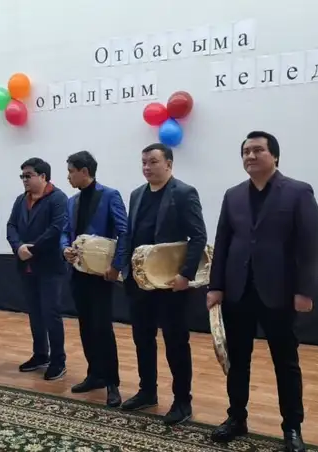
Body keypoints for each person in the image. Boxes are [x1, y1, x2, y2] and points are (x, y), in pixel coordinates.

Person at [207, 131, 318, 452]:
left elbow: (310, 244)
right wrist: (216, 286)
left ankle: (292, 428)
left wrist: (305, 290)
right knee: (237, 361)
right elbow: (223, 242)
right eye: (246, 151)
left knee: (285, 363)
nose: (250, 156)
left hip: (279, 292)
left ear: (275, 156)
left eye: (258, 150)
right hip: (238, 291)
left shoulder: (298, 192)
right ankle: (236, 417)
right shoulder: (233, 195)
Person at [119, 143, 207, 426]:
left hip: (170, 283)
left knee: (175, 342)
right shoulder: (136, 194)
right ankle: (147, 391)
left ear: (169, 164)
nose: (147, 167)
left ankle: (182, 401)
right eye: (144, 162)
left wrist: (185, 275)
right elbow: (130, 235)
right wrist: (123, 269)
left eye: (153, 162)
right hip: (139, 282)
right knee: (142, 338)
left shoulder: (184, 193)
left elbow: (198, 236)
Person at [60, 151, 127, 407]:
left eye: (71, 171)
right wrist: (64, 249)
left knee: (102, 327)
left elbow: (124, 231)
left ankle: (112, 382)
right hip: (77, 273)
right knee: (85, 325)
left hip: (101, 273)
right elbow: (65, 231)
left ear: (84, 171)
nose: (68, 176)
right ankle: (94, 374)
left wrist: (117, 265)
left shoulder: (110, 195)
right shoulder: (72, 201)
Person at [6, 157, 69, 380]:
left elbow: (56, 229)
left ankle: (58, 361)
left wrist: (32, 249)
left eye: (28, 176)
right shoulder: (21, 199)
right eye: (22, 176)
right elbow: (11, 226)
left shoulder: (58, 198)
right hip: (26, 265)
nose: (24, 180)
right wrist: (18, 247)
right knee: (34, 313)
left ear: (43, 176)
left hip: (49, 265)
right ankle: (41, 354)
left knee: (51, 313)